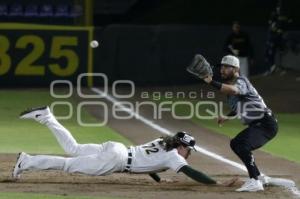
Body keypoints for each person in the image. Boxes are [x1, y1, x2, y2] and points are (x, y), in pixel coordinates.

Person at [13, 106, 231, 186]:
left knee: (74, 149)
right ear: (183, 146)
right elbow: (192, 172)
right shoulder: (175, 157)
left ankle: (46, 116)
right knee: (68, 164)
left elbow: (149, 163)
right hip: (115, 159)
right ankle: (27, 161)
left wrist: (157, 177)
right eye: (188, 149)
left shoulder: (163, 142)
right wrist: (214, 184)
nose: (188, 153)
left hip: (117, 149)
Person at [203, 55, 278, 192]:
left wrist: (211, 82)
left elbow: (234, 90)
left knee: (243, 144)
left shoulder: (241, 81)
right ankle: (258, 176)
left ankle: (255, 180)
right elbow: (241, 106)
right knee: (236, 143)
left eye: (226, 67)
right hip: (258, 125)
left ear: (236, 69)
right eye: (221, 67)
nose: (222, 70)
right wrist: (227, 116)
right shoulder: (232, 87)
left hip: (266, 124)